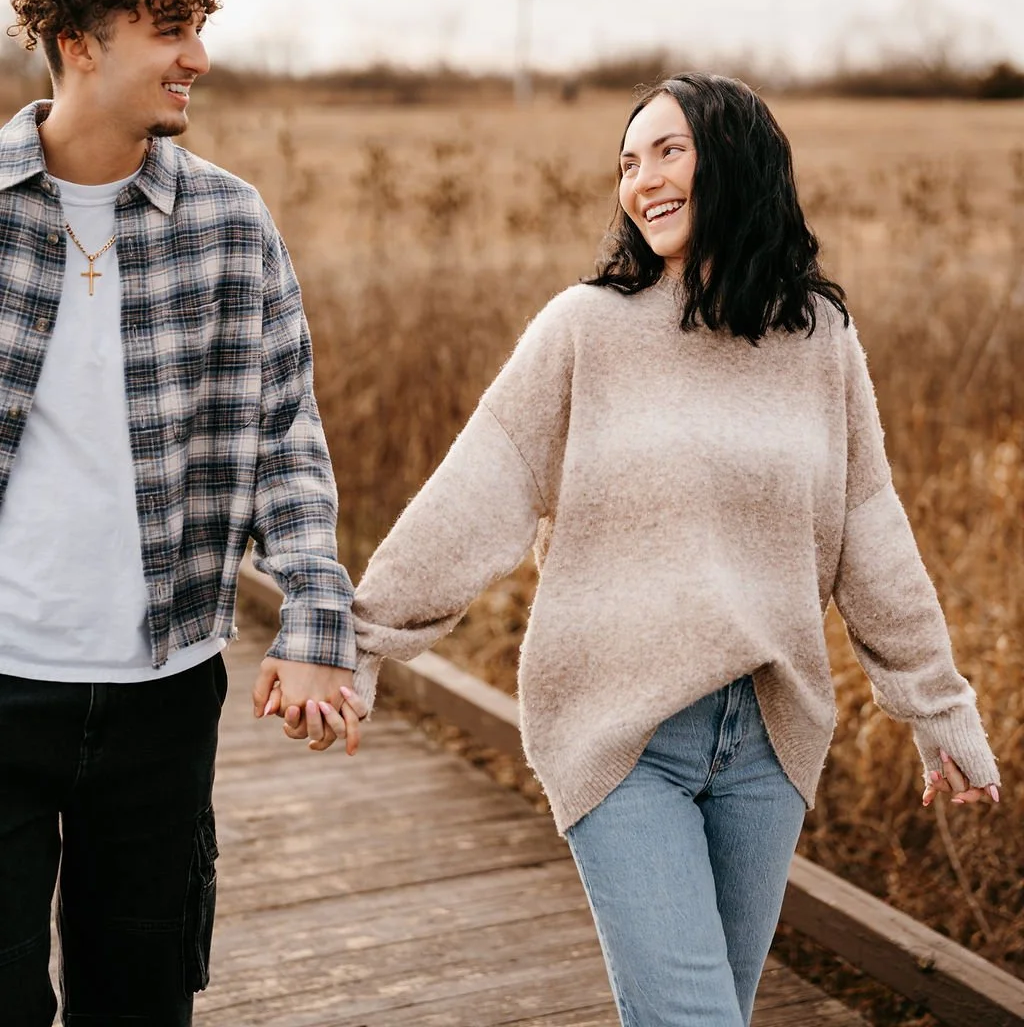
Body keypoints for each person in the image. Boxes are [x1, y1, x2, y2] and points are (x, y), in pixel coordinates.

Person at [316, 74, 1001, 1027]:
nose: (642, 181)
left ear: (737, 158)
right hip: (622, 732)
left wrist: (938, 707)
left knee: (720, 1007)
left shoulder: (820, 337)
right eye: (628, 163)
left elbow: (869, 526)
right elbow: (485, 486)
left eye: (668, 151)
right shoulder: (585, 329)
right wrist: (360, 639)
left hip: (768, 737)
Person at [0, 0, 362, 1027]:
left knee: (143, 998)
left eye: (197, 27)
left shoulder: (229, 223)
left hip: (165, 687)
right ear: (78, 44)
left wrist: (315, 625)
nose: (196, 56)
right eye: (168, 29)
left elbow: (285, 440)